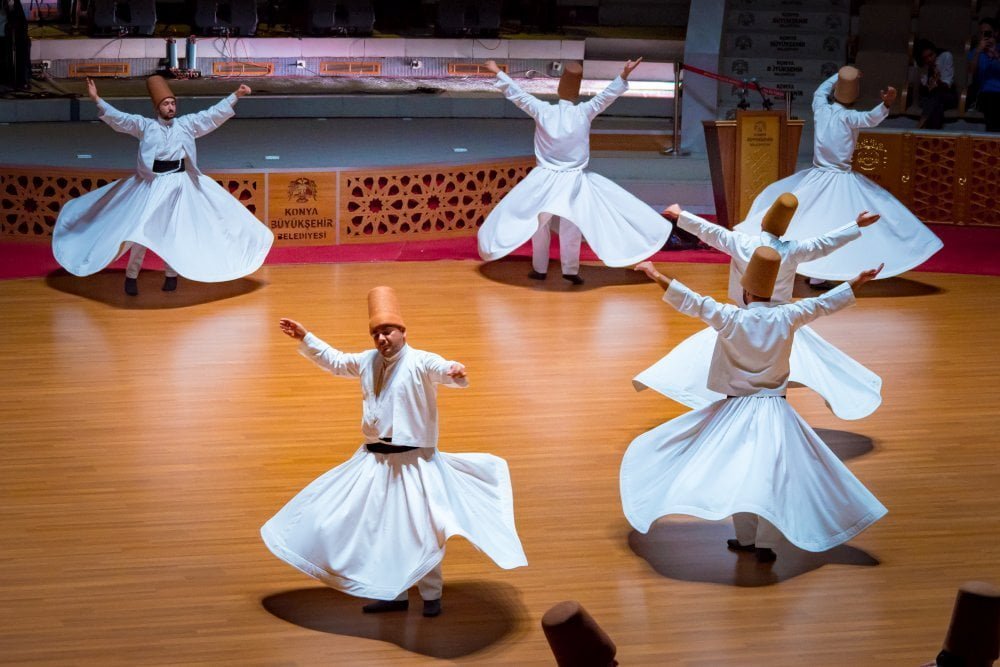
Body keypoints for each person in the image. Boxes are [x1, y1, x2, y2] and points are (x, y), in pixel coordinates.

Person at [261, 287, 527, 617]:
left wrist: (453, 371)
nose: (381, 339)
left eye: (387, 331)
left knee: (420, 529)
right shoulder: (368, 361)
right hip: (375, 460)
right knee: (383, 527)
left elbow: (441, 367)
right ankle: (393, 593)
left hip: (414, 462)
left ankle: (431, 596)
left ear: (403, 331)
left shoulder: (420, 361)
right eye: (376, 333)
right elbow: (336, 361)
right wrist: (305, 337)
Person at [622, 249, 888, 563]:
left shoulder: (730, 317)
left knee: (740, 472)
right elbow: (824, 304)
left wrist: (654, 274)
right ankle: (763, 543)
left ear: (746, 292)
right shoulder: (788, 316)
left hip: (736, 409)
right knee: (771, 476)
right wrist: (858, 280)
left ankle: (747, 539)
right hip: (776, 410)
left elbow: (689, 299)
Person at [633, 194, 883, 421]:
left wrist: (679, 216)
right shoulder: (794, 256)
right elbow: (823, 252)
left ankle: (727, 409)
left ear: (763, 221)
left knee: (721, 364)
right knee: (776, 366)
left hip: (742, 321)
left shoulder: (741, 247)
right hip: (782, 322)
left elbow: (709, 234)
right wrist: (856, 228)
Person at [52, 76, 273, 295]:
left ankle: (171, 274)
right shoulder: (145, 126)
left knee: (175, 231)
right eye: (166, 104)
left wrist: (236, 95)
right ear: (157, 107)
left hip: (179, 184)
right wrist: (97, 99)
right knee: (140, 232)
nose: (171, 107)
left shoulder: (186, 124)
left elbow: (211, 115)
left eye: (173, 103)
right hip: (153, 183)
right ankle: (131, 276)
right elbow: (120, 118)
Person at [734, 66, 942, 282]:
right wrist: (886, 104)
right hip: (838, 179)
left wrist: (841, 76)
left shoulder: (821, 108)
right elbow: (871, 118)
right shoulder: (849, 117)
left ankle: (815, 272)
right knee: (843, 222)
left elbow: (820, 91)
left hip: (818, 176)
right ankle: (821, 273)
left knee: (811, 220)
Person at [477, 58, 671, 284]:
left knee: (539, 224)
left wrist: (498, 72)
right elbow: (607, 96)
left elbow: (517, 95)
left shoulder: (543, 110)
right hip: (572, 180)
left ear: (559, 88)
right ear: (577, 92)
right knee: (571, 225)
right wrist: (624, 75)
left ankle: (540, 268)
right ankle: (569, 270)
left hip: (545, 179)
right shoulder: (584, 111)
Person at [913, 39, 958, 130]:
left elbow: (947, 85)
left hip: (947, 95)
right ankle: (934, 137)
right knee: (937, 105)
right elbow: (924, 90)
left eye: (931, 55)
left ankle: (920, 125)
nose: (929, 59)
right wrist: (927, 85)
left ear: (935, 51)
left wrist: (938, 82)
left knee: (937, 95)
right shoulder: (921, 65)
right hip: (930, 98)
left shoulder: (945, 56)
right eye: (925, 58)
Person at [969, 18, 1000, 132]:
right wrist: (978, 52)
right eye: (981, 33)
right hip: (985, 94)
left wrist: (996, 55)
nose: (984, 35)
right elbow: (971, 72)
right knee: (992, 101)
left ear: (995, 33)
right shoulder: (975, 52)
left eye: (987, 33)